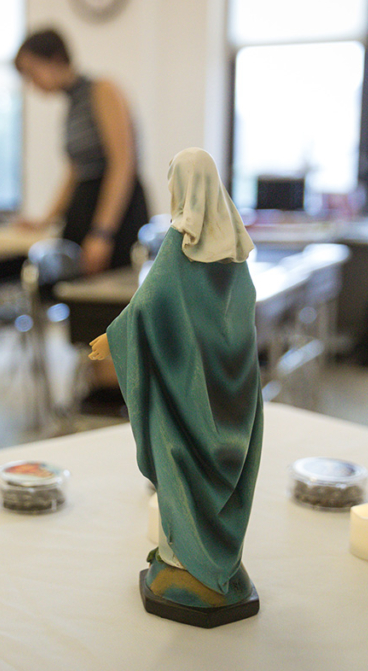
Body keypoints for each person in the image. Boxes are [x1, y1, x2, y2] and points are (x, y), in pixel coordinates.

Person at [88, 148, 263, 623]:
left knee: (184, 474)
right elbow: (237, 320)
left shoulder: (180, 245)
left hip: (186, 397)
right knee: (221, 478)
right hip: (234, 392)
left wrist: (113, 339)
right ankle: (217, 567)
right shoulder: (236, 251)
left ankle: (188, 569)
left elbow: (149, 307)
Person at [14, 28, 149, 275]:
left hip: (115, 210)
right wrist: (45, 220)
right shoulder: (73, 104)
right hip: (85, 204)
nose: (32, 83)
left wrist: (102, 232)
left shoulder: (103, 90)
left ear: (55, 59)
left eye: (33, 73)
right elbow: (76, 172)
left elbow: (122, 163)